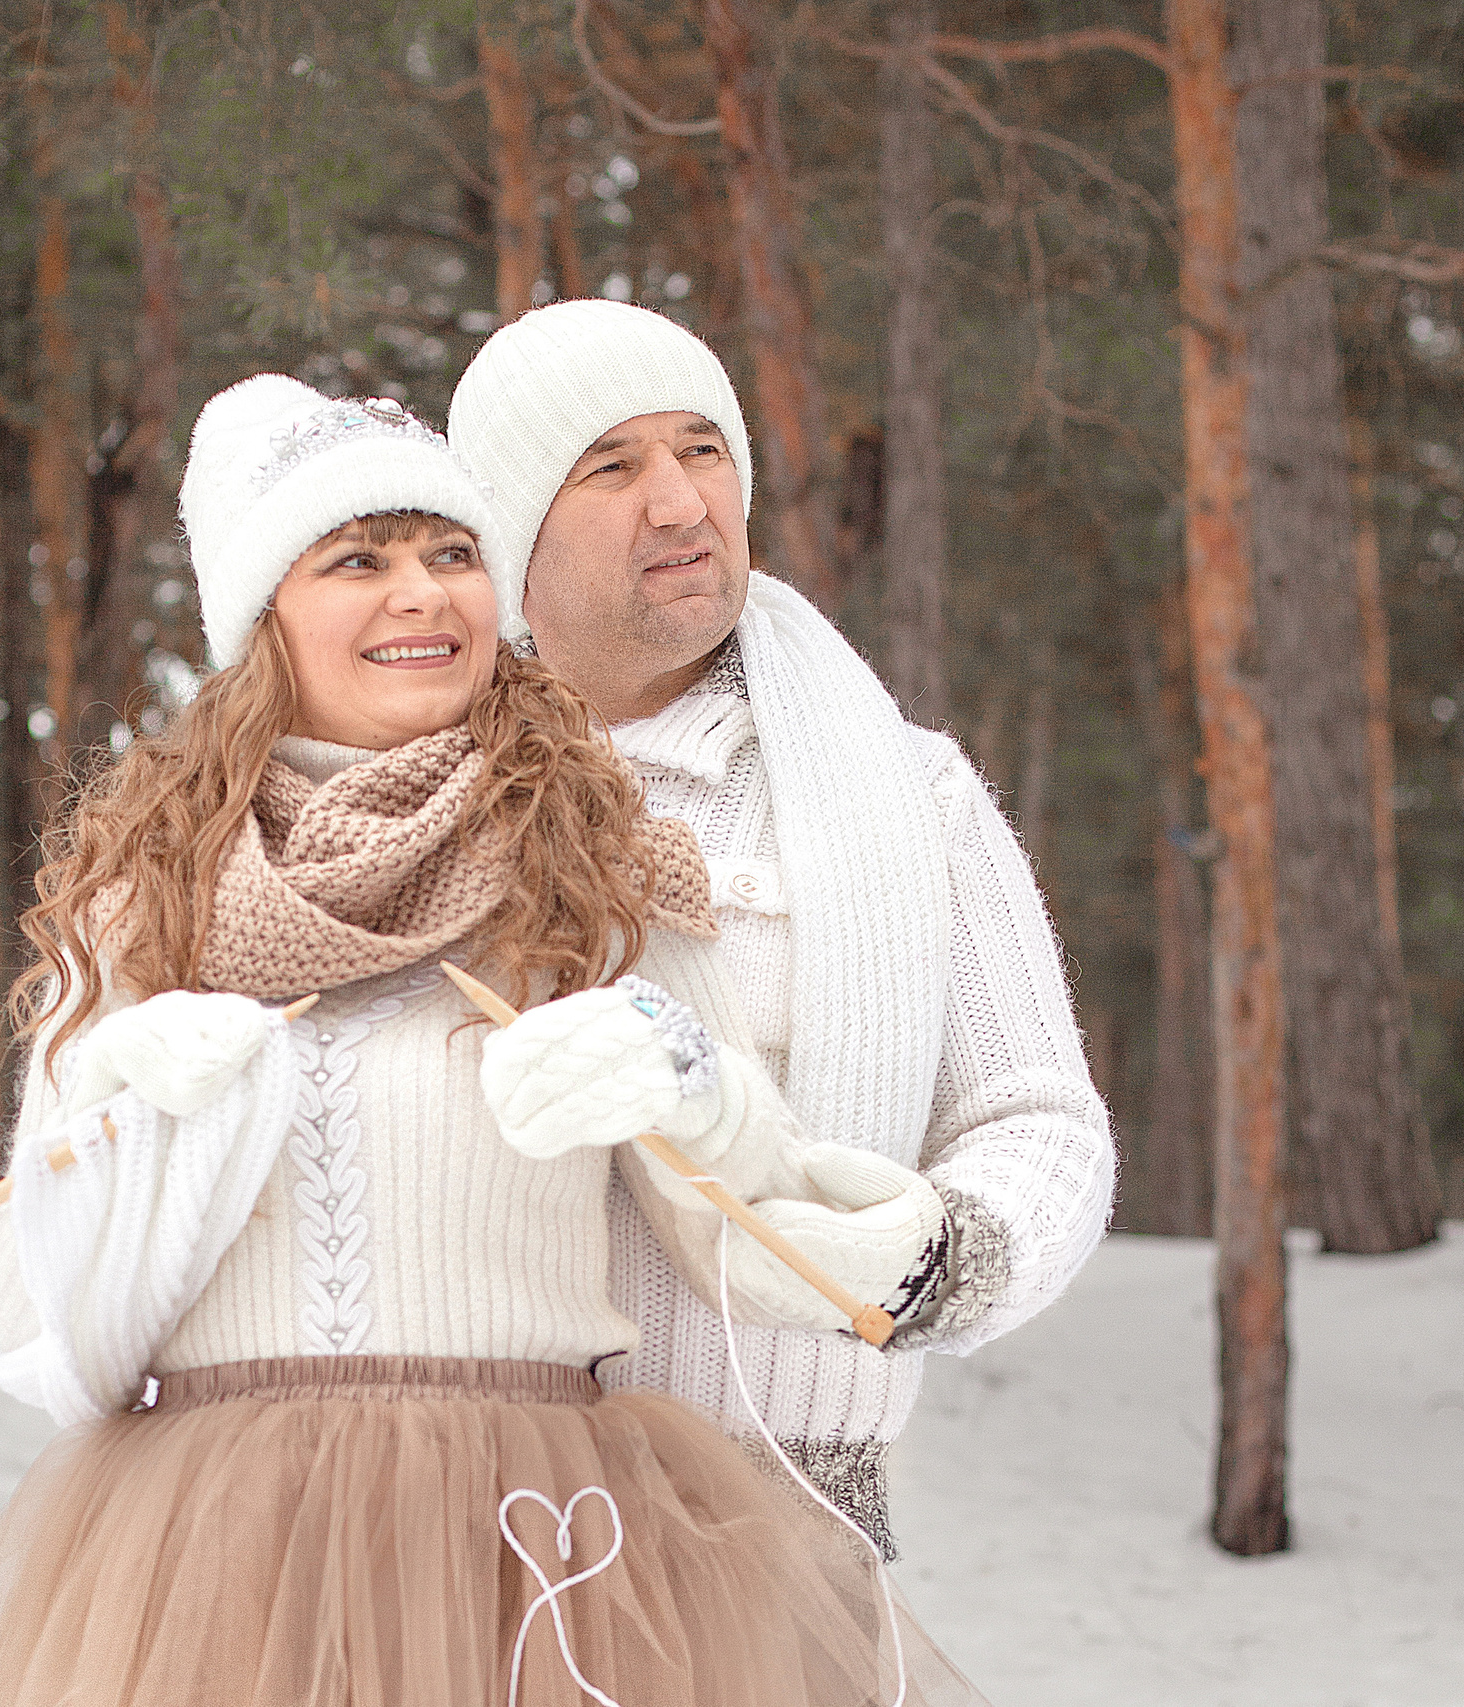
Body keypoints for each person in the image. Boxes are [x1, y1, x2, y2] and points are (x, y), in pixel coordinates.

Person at [0, 377, 986, 1705]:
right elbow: (28, 1320)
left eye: (452, 553)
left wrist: (694, 1089)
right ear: (264, 613)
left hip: (540, 1545)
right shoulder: (144, 894)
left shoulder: (599, 860)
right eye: (358, 560)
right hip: (219, 1559)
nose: (420, 593)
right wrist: (114, 1119)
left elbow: (747, 1242)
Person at [449, 299, 1119, 1556]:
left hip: (783, 1520)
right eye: (612, 466)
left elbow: (1037, 1118)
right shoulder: (417, 796)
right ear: (511, 532)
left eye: (702, 449)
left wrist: (931, 1259)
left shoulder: (909, 792)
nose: (678, 502)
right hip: (459, 1503)